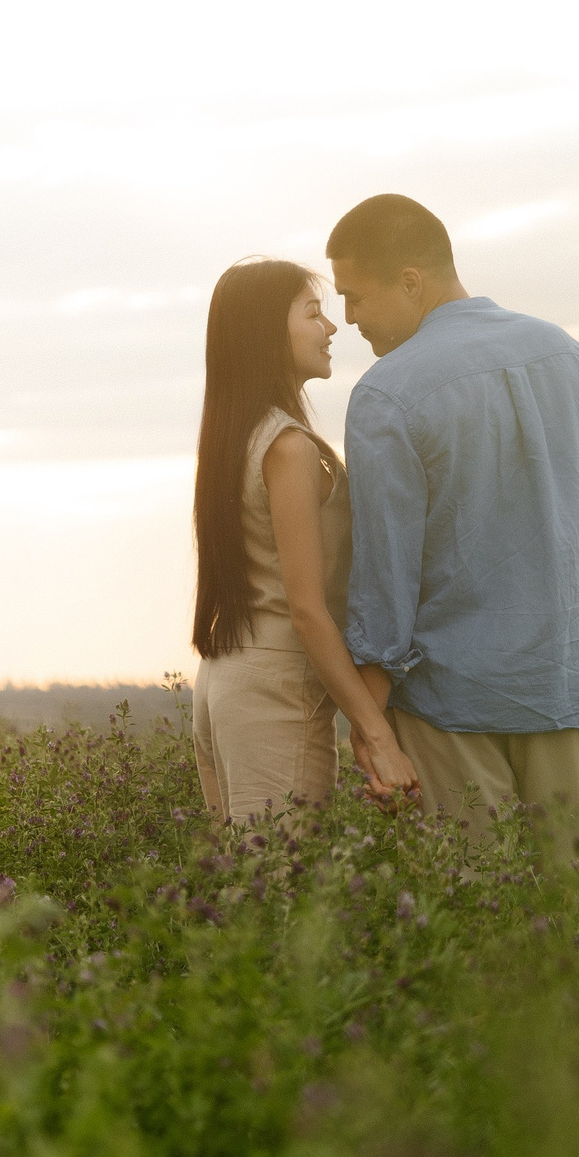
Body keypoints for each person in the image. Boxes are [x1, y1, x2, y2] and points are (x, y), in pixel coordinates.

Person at [327, 194, 579, 872]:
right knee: (574, 916)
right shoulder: (569, 356)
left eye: (354, 296)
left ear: (410, 280)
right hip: (572, 692)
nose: (347, 318)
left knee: (475, 927)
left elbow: (385, 592)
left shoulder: (386, 394)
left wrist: (370, 730)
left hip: (450, 705)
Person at [189, 258, 422, 821]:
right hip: (273, 693)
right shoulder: (288, 448)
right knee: (282, 897)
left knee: (249, 888)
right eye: (313, 312)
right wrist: (378, 734)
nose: (332, 327)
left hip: (228, 680)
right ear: (268, 332)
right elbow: (308, 611)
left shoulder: (239, 434)